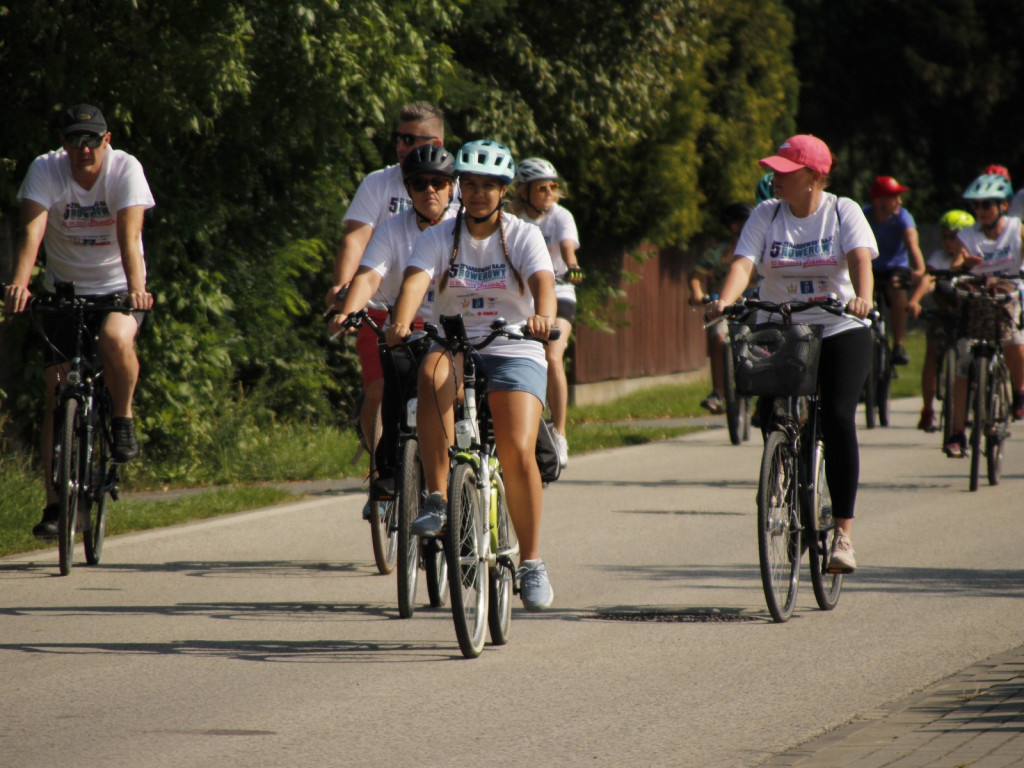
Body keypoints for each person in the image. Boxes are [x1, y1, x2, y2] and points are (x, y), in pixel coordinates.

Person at [385, 139, 558, 610]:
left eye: (489, 185)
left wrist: (544, 316)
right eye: (472, 184)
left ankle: (532, 562)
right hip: (455, 341)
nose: (479, 193)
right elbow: (416, 279)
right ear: (461, 186)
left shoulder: (523, 235)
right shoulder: (440, 235)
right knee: (431, 371)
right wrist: (401, 321)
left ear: (504, 190)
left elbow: (544, 282)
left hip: (515, 344)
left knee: (518, 449)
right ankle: (438, 498)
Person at [709, 134, 876, 574]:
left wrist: (863, 297)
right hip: (780, 322)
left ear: (814, 177)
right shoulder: (767, 213)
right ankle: (785, 478)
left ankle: (843, 535)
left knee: (838, 417)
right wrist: (726, 300)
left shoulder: (843, 211)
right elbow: (743, 264)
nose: (775, 177)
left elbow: (861, 260)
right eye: (775, 169)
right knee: (772, 413)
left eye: (786, 170)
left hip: (839, 322)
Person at [3, 103, 155, 539]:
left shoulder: (125, 170)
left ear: (107, 140)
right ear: (64, 143)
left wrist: (135, 289)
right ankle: (55, 507)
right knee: (56, 389)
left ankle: (122, 419)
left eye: (92, 139)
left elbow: (130, 236)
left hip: (118, 287)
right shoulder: (46, 170)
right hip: (63, 292)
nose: (83, 147)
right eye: (74, 139)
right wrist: (20, 285)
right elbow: (32, 233)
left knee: (114, 338)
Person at [324, 102, 447, 514]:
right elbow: (359, 244)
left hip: (437, 312)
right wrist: (344, 293)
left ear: (438, 144)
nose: (401, 145)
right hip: (384, 306)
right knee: (381, 387)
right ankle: (385, 470)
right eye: (399, 137)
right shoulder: (379, 185)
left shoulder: (456, 191)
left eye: (411, 139)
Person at [943, 173, 1024, 457]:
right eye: (976, 205)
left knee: (1014, 338)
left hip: (1008, 293)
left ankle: (1020, 393)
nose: (980, 210)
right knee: (964, 364)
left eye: (987, 204)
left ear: (1003, 205)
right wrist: (964, 264)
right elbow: (956, 263)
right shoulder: (968, 235)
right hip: (976, 300)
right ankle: (956, 434)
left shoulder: (1017, 229)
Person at [510, 157, 581, 468]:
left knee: (553, 355)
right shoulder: (511, 218)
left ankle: (560, 433)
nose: (550, 193)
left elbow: (568, 249)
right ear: (524, 192)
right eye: (542, 188)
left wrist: (574, 267)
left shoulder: (560, 217)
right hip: (523, 298)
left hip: (561, 292)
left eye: (554, 186)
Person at [906, 209, 973, 432]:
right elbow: (928, 279)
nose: (947, 241)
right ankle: (928, 409)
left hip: (968, 316)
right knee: (932, 354)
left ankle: (973, 403)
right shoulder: (938, 258)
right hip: (944, 314)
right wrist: (915, 301)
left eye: (953, 236)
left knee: (972, 356)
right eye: (945, 236)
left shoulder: (975, 257)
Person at [688, 202, 753, 414]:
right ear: (735, 227)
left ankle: (768, 392)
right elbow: (697, 276)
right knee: (717, 337)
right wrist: (697, 293)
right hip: (722, 306)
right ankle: (718, 392)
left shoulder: (759, 251)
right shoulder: (718, 253)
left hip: (751, 306)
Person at [863, 175, 925, 366]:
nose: (899, 201)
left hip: (895, 268)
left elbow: (912, 244)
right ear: (878, 200)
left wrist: (919, 269)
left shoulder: (902, 217)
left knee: (898, 289)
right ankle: (862, 342)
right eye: (894, 197)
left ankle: (898, 344)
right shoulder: (864, 216)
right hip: (870, 268)